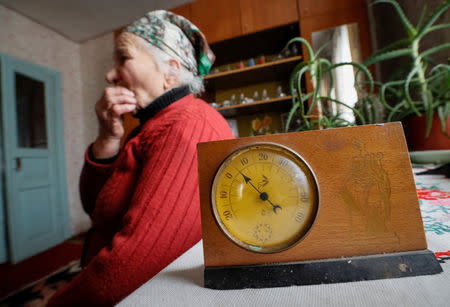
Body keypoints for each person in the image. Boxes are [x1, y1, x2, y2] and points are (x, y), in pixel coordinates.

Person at [48, 10, 234, 306]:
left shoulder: (188, 124)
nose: (110, 75)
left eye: (124, 57)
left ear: (171, 70)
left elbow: (134, 262)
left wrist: (54, 304)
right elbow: (95, 209)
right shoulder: (152, 125)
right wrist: (107, 137)